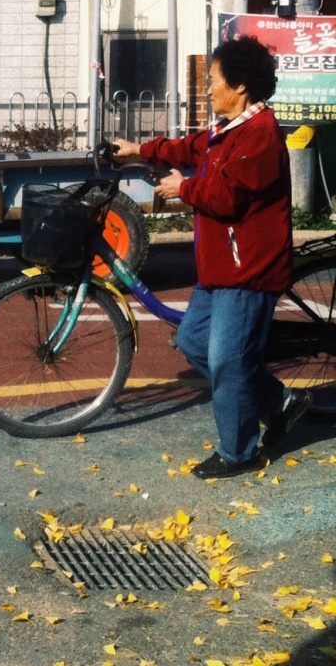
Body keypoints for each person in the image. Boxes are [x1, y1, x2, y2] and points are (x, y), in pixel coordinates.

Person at [113, 35, 309, 479]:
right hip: (219, 268)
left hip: (249, 271)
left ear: (240, 86)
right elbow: (189, 148)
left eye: (214, 80)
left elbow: (225, 197)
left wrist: (182, 188)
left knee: (227, 360)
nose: (208, 88)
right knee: (193, 342)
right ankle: (279, 402)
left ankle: (239, 452)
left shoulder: (259, 135)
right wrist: (139, 149)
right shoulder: (228, 129)